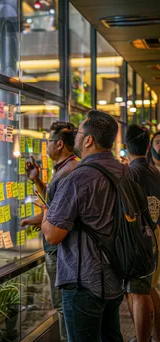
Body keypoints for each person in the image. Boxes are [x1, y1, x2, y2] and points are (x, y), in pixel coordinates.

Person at [40, 110, 125, 342]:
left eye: (79, 132)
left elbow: (53, 235)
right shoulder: (124, 172)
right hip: (115, 277)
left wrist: (47, 210)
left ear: (88, 140)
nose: (75, 137)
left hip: (83, 282)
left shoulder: (78, 179)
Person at [21, 121, 78, 342]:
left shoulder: (67, 173)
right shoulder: (66, 169)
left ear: (59, 144)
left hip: (59, 249)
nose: (46, 146)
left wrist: (36, 219)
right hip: (61, 249)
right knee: (63, 305)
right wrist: (37, 180)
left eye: (49, 141)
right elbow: (54, 204)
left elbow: (53, 215)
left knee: (63, 305)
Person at [125, 125, 160, 342]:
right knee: (150, 289)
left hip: (140, 238)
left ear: (126, 146)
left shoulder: (131, 173)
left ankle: (142, 339)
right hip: (156, 232)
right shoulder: (154, 171)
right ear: (148, 146)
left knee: (139, 293)